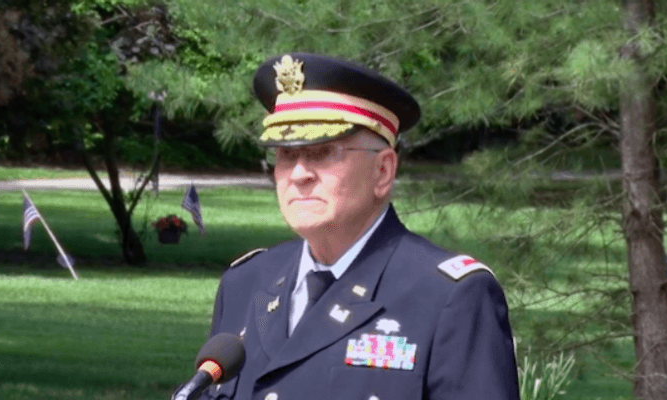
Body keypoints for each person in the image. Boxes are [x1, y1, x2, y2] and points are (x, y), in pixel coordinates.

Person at [196, 53, 520, 400]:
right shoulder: (246, 283)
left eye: (321, 152)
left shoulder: (449, 297)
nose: (299, 174)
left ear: (383, 171)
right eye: (286, 155)